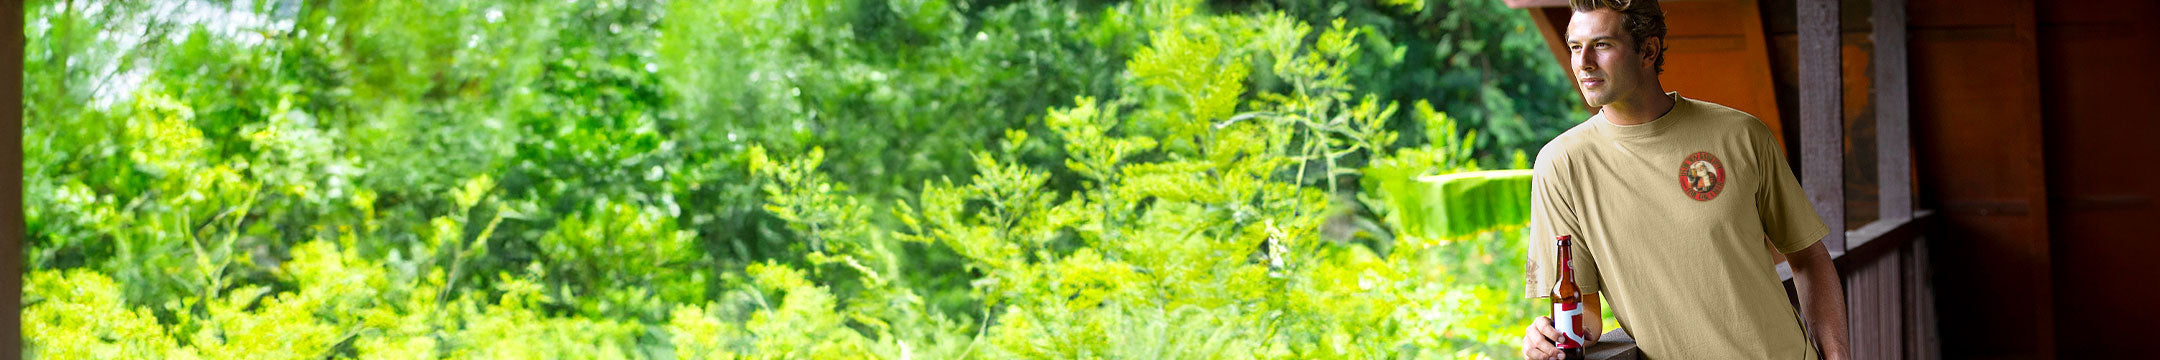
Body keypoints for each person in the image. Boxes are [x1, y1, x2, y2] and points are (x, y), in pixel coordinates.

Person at [1515, 0, 1850, 359]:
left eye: (1602, 45)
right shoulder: (1562, 165)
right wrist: (1545, 335)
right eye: (1576, 47)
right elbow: (1586, 315)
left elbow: (1808, 257)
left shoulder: (1742, 135)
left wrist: (1837, 356)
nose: (1583, 63)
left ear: (1648, 50)